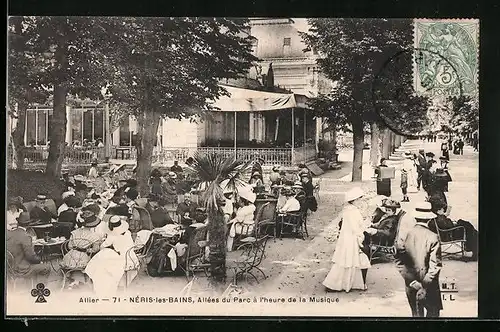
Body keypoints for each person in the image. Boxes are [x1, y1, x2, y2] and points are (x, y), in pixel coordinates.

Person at [395, 202, 442, 317]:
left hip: (411, 284)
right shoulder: (433, 237)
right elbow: (435, 265)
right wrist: (424, 284)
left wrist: (411, 281)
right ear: (429, 220)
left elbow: (399, 261)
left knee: (416, 315)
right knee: (433, 313)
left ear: (415, 218)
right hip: (429, 285)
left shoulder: (405, 235)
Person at [323, 187, 371, 292]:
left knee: (348, 261)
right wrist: (362, 233)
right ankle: (335, 284)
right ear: (354, 200)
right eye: (358, 200)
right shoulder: (352, 211)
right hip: (351, 238)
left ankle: (348, 283)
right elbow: (355, 227)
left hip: (348, 238)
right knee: (347, 260)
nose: (360, 202)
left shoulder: (349, 210)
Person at [85, 215, 139, 296]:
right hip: (132, 258)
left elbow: (102, 246)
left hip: (122, 259)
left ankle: (97, 281)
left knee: (101, 258)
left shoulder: (113, 235)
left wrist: (104, 243)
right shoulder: (128, 232)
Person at [60, 210, 105, 289]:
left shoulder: (74, 232)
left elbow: (70, 246)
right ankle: (85, 282)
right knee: (95, 262)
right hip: (82, 260)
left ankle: (73, 280)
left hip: (69, 257)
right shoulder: (94, 236)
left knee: (73, 262)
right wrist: (87, 250)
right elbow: (95, 250)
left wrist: (78, 247)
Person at [7, 212, 51, 285]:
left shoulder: (10, 233)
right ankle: (40, 289)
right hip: (21, 269)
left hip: (9, 267)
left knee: (36, 264)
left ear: (18, 223)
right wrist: (40, 260)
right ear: (29, 225)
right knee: (46, 267)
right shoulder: (26, 237)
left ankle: (31, 285)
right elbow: (30, 256)